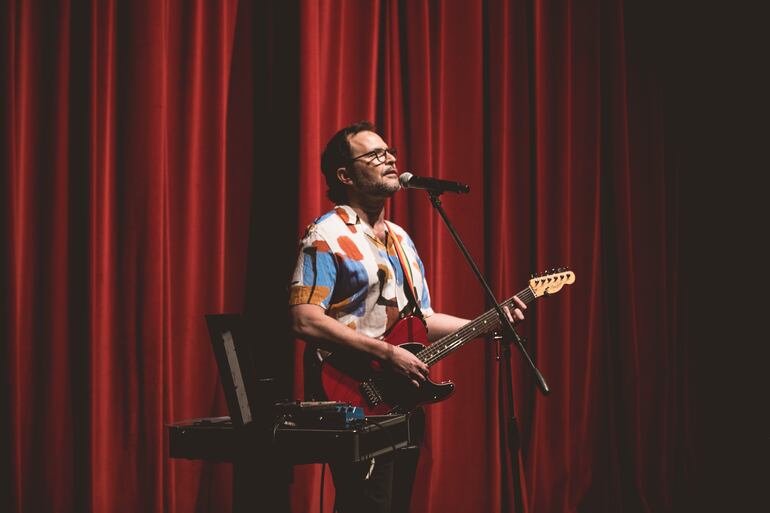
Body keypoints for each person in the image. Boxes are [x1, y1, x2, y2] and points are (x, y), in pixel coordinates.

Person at [288, 121, 526, 513]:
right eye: (375, 155)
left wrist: (487, 324)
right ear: (345, 175)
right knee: (367, 504)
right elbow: (304, 320)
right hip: (351, 395)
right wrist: (385, 354)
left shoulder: (400, 239)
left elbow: (423, 320)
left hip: (401, 398)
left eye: (390, 152)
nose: (390, 160)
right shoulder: (325, 236)